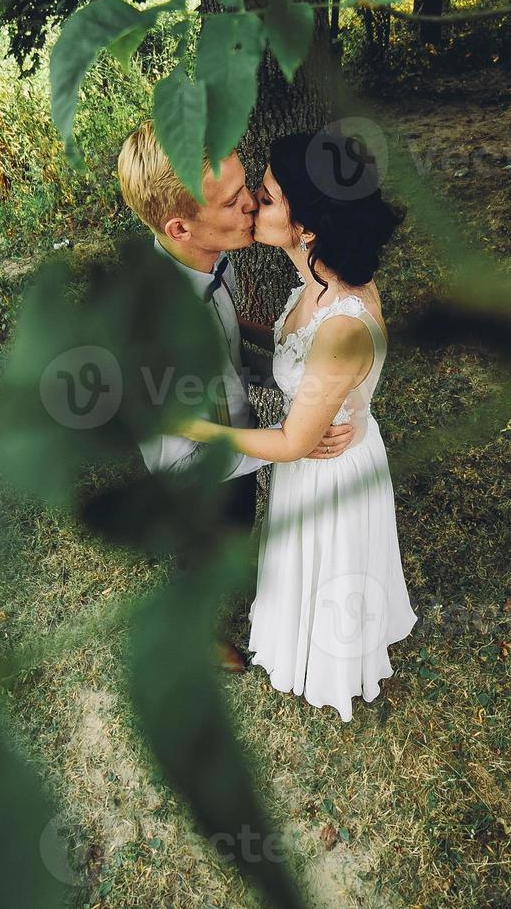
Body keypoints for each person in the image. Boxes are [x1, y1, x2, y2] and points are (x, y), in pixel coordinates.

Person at [171, 130, 418, 721]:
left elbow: (292, 441)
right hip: (313, 459)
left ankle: (330, 663)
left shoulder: (342, 327)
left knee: (329, 577)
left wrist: (192, 428)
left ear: (306, 226)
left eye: (270, 196)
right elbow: (288, 346)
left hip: (327, 470)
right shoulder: (316, 279)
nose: (255, 201)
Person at [115, 121, 354, 673]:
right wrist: (292, 444)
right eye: (232, 200)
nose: (254, 204)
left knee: (235, 528)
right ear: (180, 226)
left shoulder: (208, 262)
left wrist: (295, 367)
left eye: (245, 185)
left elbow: (227, 343)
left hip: (232, 426)